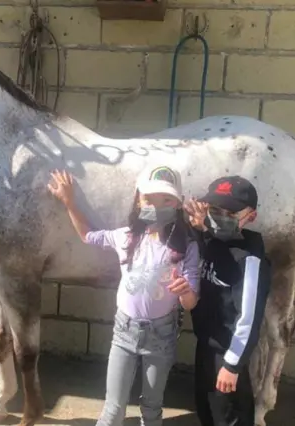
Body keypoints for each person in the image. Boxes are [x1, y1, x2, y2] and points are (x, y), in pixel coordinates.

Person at [47, 165, 201, 426]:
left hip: (160, 337)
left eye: (167, 199)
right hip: (124, 332)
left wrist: (185, 291)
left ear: (178, 204)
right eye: (148, 198)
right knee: (112, 409)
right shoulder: (126, 237)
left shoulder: (187, 247)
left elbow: (191, 303)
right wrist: (69, 202)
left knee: (151, 408)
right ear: (137, 200)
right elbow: (87, 236)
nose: (157, 205)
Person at [183, 176, 271, 426]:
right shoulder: (212, 241)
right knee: (207, 409)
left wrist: (232, 365)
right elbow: (202, 245)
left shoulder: (250, 260)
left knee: (229, 416)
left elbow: (249, 318)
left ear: (250, 216)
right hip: (206, 346)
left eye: (230, 212)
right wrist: (198, 226)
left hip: (228, 352)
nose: (221, 216)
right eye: (215, 210)